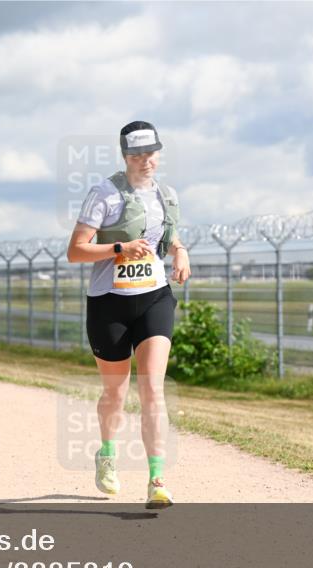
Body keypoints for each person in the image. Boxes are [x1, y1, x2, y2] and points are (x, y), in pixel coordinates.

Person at [66, 121, 191, 509]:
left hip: (154, 297)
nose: (146, 161)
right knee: (115, 393)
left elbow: (167, 241)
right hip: (110, 302)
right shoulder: (103, 194)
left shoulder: (166, 196)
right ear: (125, 156)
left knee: (152, 387)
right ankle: (107, 453)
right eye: (137, 155)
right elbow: (75, 251)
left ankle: (157, 479)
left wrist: (180, 252)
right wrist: (118, 247)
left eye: (152, 153)